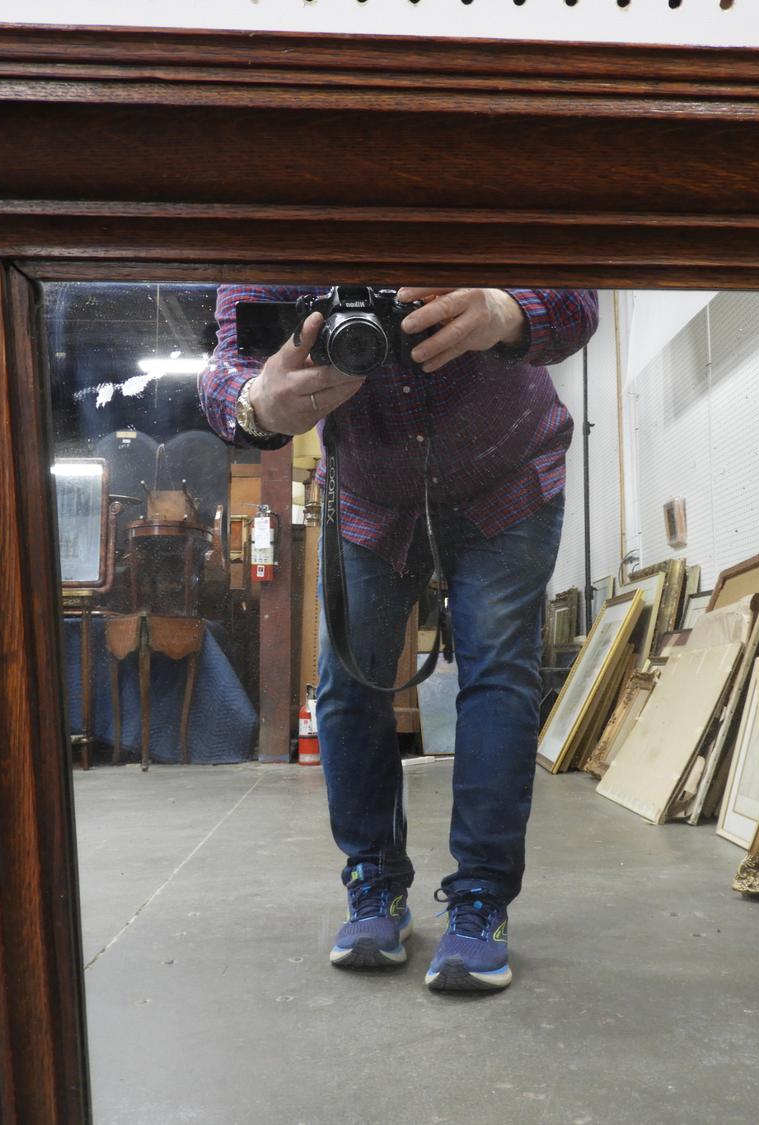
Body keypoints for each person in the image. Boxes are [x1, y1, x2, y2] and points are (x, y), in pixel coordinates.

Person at [200, 285, 598, 992]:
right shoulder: (279, 223)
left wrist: (506, 311)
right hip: (367, 491)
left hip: (507, 473)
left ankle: (481, 900)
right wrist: (254, 402)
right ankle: (373, 883)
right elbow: (230, 354)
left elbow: (578, 294)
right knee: (347, 687)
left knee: (498, 679)